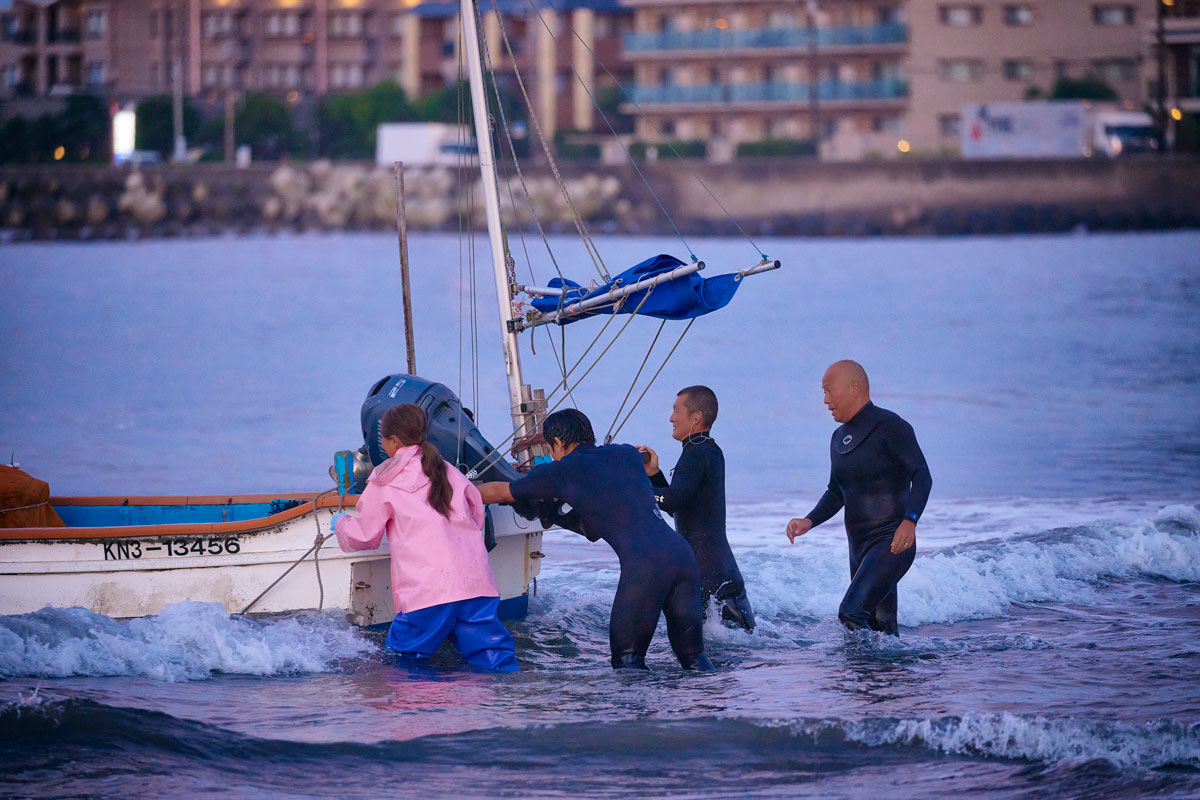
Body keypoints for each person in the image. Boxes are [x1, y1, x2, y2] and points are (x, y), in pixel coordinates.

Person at [478, 409, 714, 671]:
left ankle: (635, 713)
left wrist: (449, 490)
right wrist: (646, 463)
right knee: (693, 658)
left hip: (646, 566)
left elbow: (499, 491)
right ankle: (710, 706)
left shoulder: (562, 471)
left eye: (550, 446)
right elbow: (644, 457)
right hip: (681, 554)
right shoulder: (623, 453)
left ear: (557, 442)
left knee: (627, 662)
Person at [331, 403, 519, 672]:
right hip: (476, 585)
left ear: (393, 441)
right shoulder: (448, 471)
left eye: (382, 437)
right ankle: (492, 708)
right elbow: (477, 514)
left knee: (402, 662)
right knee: (494, 660)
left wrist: (342, 524)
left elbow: (364, 536)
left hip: (429, 593)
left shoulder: (385, 479)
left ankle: (426, 711)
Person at [786, 360, 932, 636]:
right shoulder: (838, 438)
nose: (825, 400)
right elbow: (836, 491)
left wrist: (910, 521)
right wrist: (809, 520)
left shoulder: (890, 426)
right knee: (881, 629)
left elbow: (922, 475)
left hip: (891, 541)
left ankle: (857, 673)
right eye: (823, 393)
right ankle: (886, 677)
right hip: (859, 549)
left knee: (851, 612)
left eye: (830, 391)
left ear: (854, 388)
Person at [637, 385, 755, 632]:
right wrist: (654, 476)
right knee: (740, 648)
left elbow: (671, 501)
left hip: (711, 578)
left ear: (696, 417)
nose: (671, 418)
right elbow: (678, 504)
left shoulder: (696, 454)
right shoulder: (707, 451)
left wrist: (635, 487)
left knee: (716, 656)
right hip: (720, 573)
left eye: (675, 411)